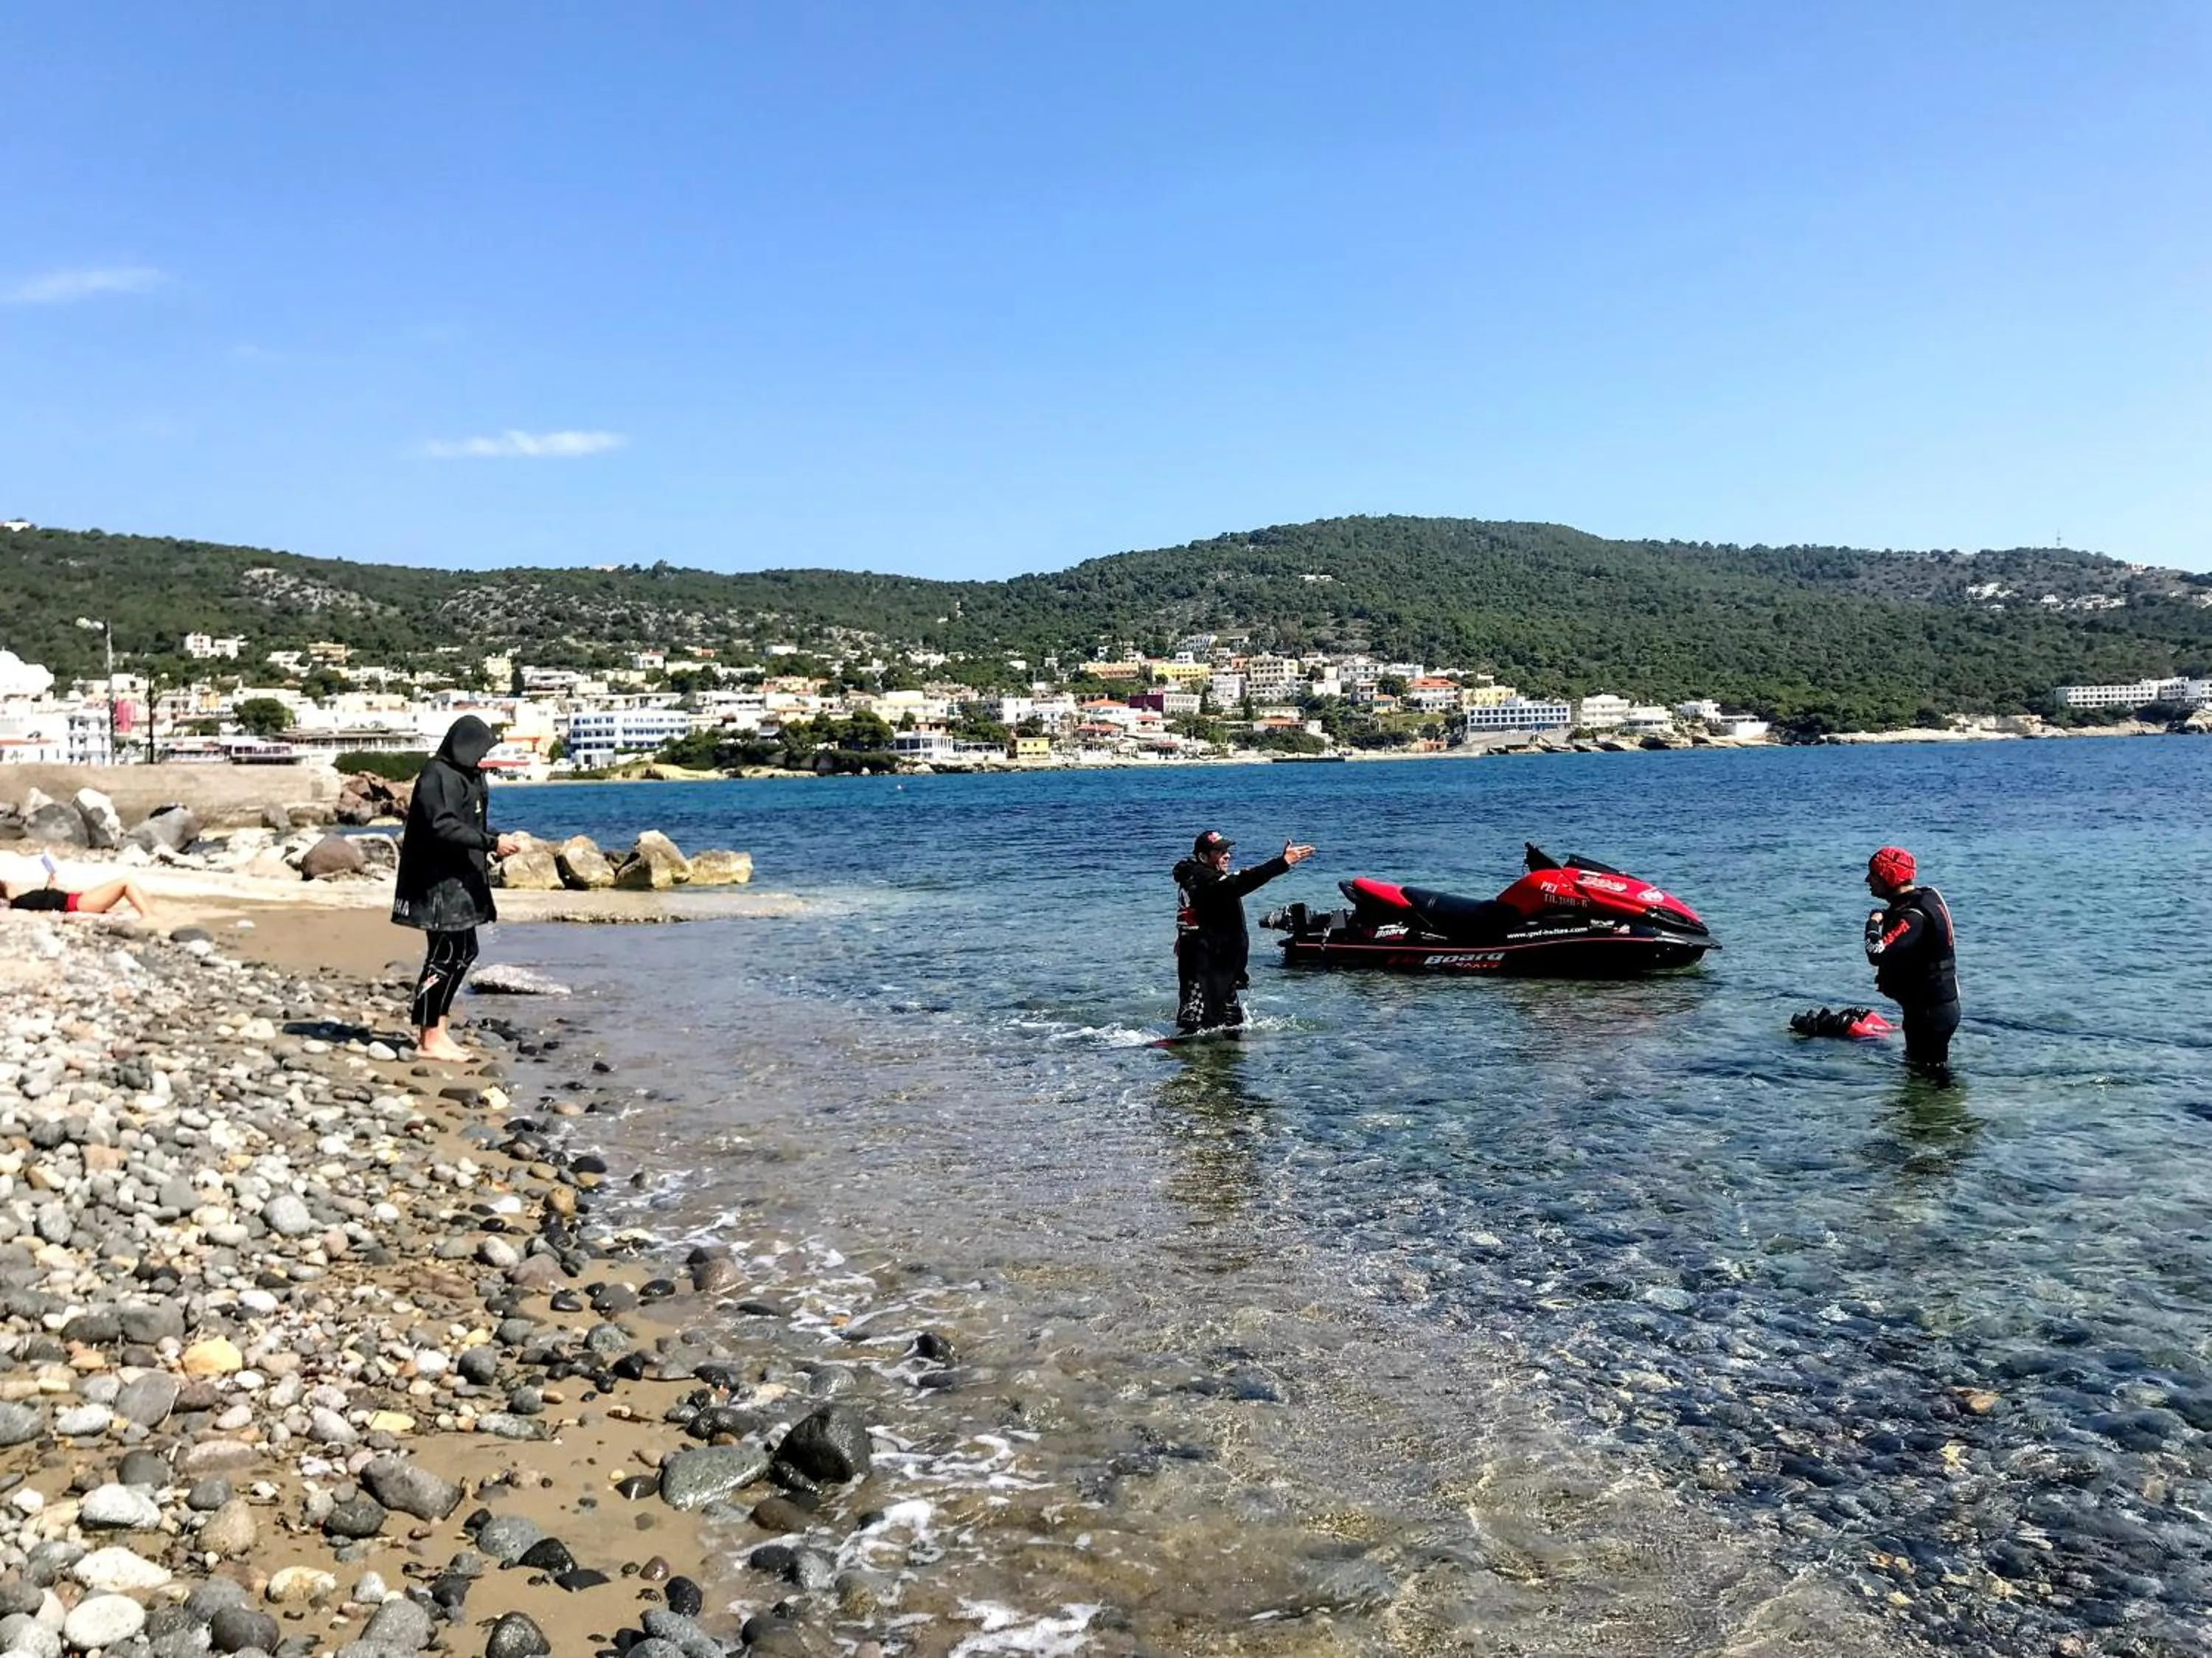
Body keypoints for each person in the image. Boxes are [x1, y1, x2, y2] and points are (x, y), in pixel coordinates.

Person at [392, 715, 520, 1061]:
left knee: (465, 953)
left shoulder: (471, 776)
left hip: (463, 878)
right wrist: (491, 843)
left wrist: (492, 843)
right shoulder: (436, 775)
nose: (483, 757)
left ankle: (440, 1029)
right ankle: (428, 1038)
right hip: (436, 882)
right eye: (480, 750)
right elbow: (441, 825)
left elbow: (471, 821)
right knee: (443, 956)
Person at [1172, 829, 1315, 1034]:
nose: (1227, 855)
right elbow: (1239, 883)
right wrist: (1282, 863)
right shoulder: (1203, 878)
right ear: (1203, 857)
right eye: (1220, 852)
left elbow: (1192, 912)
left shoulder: (1206, 877)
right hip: (1204, 967)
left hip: (1221, 964)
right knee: (1196, 1029)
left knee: (1233, 1026)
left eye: (1227, 850)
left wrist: (1183, 936)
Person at [1863, 844, 1959, 1080]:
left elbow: (1876, 952)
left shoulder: (1913, 918)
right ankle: (1932, 1114)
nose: (1868, 880)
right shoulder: (1928, 896)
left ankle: (1941, 1115)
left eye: (1873, 875)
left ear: (1888, 876)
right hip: (1934, 1009)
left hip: (1931, 1014)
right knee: (1921, 1074)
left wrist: (1873, 923)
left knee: (1930, 1080)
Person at [1, 863, 158, 920]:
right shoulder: (20, 901)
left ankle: (152, 912)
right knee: (125, 883)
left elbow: (48, 899)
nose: (12, 883)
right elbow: (49, 904)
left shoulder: (25, 898)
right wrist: (51, 891)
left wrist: (51, 886)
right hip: (79, 903)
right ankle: (147, 916)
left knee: (130, 883)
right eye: (8, 884)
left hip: (79, 899)